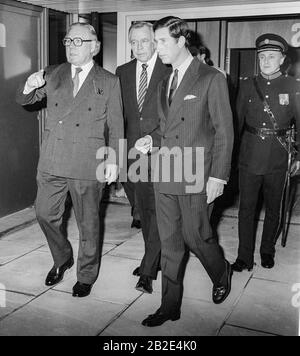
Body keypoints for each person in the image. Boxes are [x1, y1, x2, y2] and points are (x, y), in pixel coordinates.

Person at [135, 16, 234, 327]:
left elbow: (224, 132)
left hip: (196, 174)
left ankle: (221, 272)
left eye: (161, 41)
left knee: (197, 237)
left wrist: (218, 177)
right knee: (170, 242)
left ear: (181, 41)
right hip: (165, 172)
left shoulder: (210, 78)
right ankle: (169, 305)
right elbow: (168, 130)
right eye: (155, 41)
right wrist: (152, 140)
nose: (156, 47)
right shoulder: (165, 81)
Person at [16, 23, 124, 297]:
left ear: (94, 46)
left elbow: (116, 125)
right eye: (68, 41)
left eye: (79, 41)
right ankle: (62, 257)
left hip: (88, 162)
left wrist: (113, 160)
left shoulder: (109, 81)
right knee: (44, 213)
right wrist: (28, 85)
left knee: (88, 223)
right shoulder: (54, 73)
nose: (71, 46)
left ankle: (86, 274)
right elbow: (26, 100)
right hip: (53, 158)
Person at [232, 33, 300, 272]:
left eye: (272, 56)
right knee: (246, 209)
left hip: (278, 158)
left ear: (282, 60)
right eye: (262, 56)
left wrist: (299, 157)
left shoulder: (293, 87)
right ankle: (244, 257)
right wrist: (231, 157)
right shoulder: (248, 84)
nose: (266, 61)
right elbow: (237, 123)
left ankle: (267, 251)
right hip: (249, 157)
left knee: (274, 208)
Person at [116, 21, 171, 294]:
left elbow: (176, 118)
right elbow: (119, 116)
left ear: (155, 42)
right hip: (129, 156)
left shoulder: (169, 70)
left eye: (144, 41)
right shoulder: (123, 72)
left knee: (153, 213)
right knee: (141, 210)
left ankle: (148, 269)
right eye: (133, 42)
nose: (138, 47)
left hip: (159, 153)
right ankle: (155, 255)